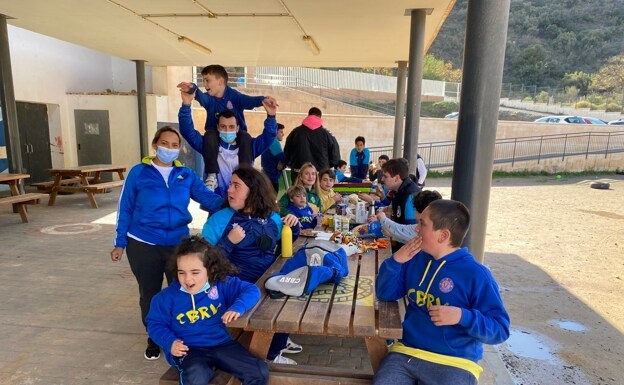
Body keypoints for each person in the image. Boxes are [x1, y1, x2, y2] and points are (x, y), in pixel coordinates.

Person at [110, 126, 224, 361]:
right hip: (142, 242)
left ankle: (180, 334)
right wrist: (120, 242)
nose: (169, 149)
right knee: (150, 293)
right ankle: (154, 336)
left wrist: (234, 201)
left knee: (182, 289)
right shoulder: (139, 173)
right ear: (155, 145)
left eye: (174, 145)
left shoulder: (186, 175)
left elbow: (208, 198)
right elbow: (126, 208)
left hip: (177, 244)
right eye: (165, 143)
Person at [373, 200, 510, 385]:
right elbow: (385, 294)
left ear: (443, 235)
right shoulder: (414, 258)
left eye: (422, 224)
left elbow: (500, 329)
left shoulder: (476, 274)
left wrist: (462, 316)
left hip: (455, 362)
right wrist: (396, 261)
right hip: (408, 353)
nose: (416, 229)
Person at [201, 166, 303, 364]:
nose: (229, 190)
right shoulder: (220, 220)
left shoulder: (272, 217)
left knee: (291, 295)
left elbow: (283, 248)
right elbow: (202, 263)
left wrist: (294, 228)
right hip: (232, 289)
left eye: (236, 186)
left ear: (253, 191)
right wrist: (228, 242)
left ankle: (274, 351)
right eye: (231, 185)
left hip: (266, 284)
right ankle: (263, 353)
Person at [146, 236, 268, 385]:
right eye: (181, 272)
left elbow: (251, 290)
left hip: (222, 344)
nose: (188, 279)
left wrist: (238, 307)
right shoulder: (165, 298)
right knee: (196, 377)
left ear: (210, 270)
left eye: (195, 272)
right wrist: (170, 342)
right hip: (188, 350)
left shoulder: (221, 285)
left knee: (259, 371)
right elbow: (155, 324)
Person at [178, 89, 277, 197]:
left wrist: (271, 116)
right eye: (223, 126)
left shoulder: (249, 146)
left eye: (231, 127)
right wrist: (186, 105)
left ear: (238, 128)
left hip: (243, 201)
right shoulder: (207, 145)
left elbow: (269, 136)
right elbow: (188, 131)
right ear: (218, 128)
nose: (227, 130)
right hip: (216, 202)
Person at [177, 64, 277, 133]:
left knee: (245, 138)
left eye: (207, 80)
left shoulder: (235, 96)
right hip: (214, 137)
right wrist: (192, 88)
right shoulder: (208, 99)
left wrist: (262, 100)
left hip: (237, 136)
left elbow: (249, 101)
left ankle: (245, 164)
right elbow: (199, 95)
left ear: (220, 81)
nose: (204, 84)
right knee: (209, 137)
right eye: (203, 81)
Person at [283, 107, 340, 182]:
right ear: (320, 117)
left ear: (308, 115)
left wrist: (291, 165)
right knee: (318, 193)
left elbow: (287, 152)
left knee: (299, 193)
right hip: (320, 174)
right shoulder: (327, 134)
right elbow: (335, 156)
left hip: (299, 172)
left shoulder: (295, 132)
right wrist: (326, 166)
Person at [379, 158, 421, 252]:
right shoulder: (398, 191)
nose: (382, 179)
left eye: (385, 176)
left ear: (397, 178)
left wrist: (384, 220)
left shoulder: (410, 195)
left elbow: (411, 232)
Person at [374, 190, 442, 244]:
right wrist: (393, 236)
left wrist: (382, 217)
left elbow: (399, 229)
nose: (417, 229)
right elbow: (408, 237)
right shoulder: (436, 224)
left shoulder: (421, 228)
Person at [261, 123, 287, 194]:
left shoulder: (267, 141)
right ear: (275, 132)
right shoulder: (274, 142)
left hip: (266, 176)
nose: (283, 134)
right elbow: (284, 158)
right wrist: (284, 163)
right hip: (271, 178)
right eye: (281, 132)